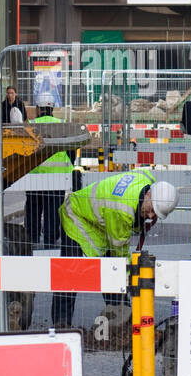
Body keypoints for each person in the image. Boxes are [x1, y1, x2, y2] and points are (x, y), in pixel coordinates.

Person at [51, 172, 179, 328]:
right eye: (152, 209)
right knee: (70, 272)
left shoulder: (148, 180)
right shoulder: (123, 210)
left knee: (110, 268)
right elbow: (119, 254)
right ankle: (61, 324)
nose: (151, 215)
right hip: (76, 216)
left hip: (97, 220)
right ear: (148, 194)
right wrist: (129, 278)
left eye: (156, 214)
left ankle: (120, 318)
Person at [25, 106, 74, 248]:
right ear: (51, 108)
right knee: (53, 209)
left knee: (34, 208)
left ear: (38, 108)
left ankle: (32, 238)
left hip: (34, 175)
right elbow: (71, 148)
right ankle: (50, 240)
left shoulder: (31, 124)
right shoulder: (62, 123)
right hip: (57, 176)